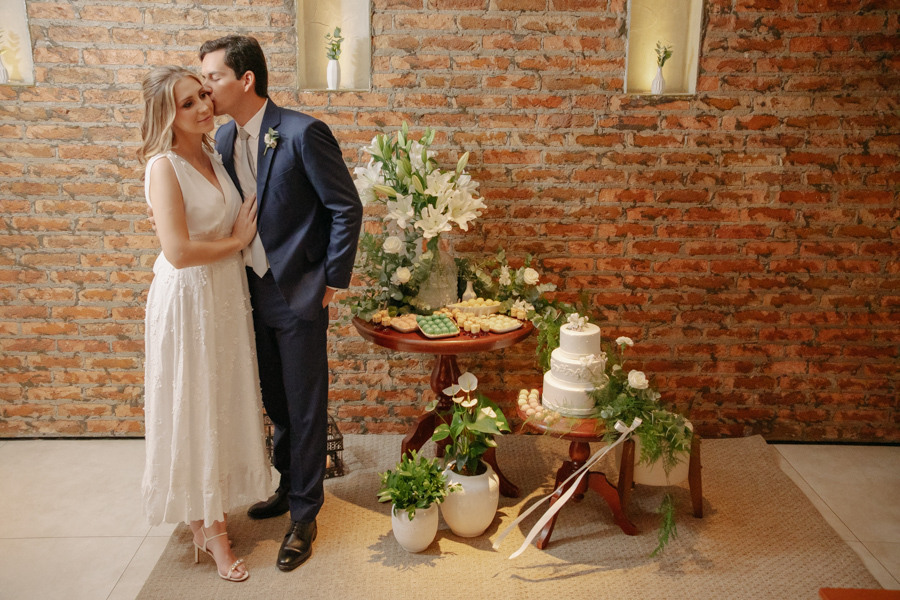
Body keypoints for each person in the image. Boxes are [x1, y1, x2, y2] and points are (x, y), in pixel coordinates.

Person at [198, 35, 363, 572]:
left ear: (245, 80)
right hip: (246, 293)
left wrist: (332, 280)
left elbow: (345, 207)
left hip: (298, 292)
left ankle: (305, 514)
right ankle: (288, 486)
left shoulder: (301, 132)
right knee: (276, 402)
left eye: (214, 77)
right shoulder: (221, 140)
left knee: (307, 404)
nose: (206, 88)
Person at [138, 65, 271, 582]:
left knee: (219, 400)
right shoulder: (164, 166)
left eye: (202, 95)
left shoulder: (215, 151)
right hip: (188, 298)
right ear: (167, 115)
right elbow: (176, 251)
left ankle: (203, 514)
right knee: (194, 404)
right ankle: (212, 530)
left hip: (223, 295)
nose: (203, 106)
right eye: (188, 102)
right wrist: (237, 244)